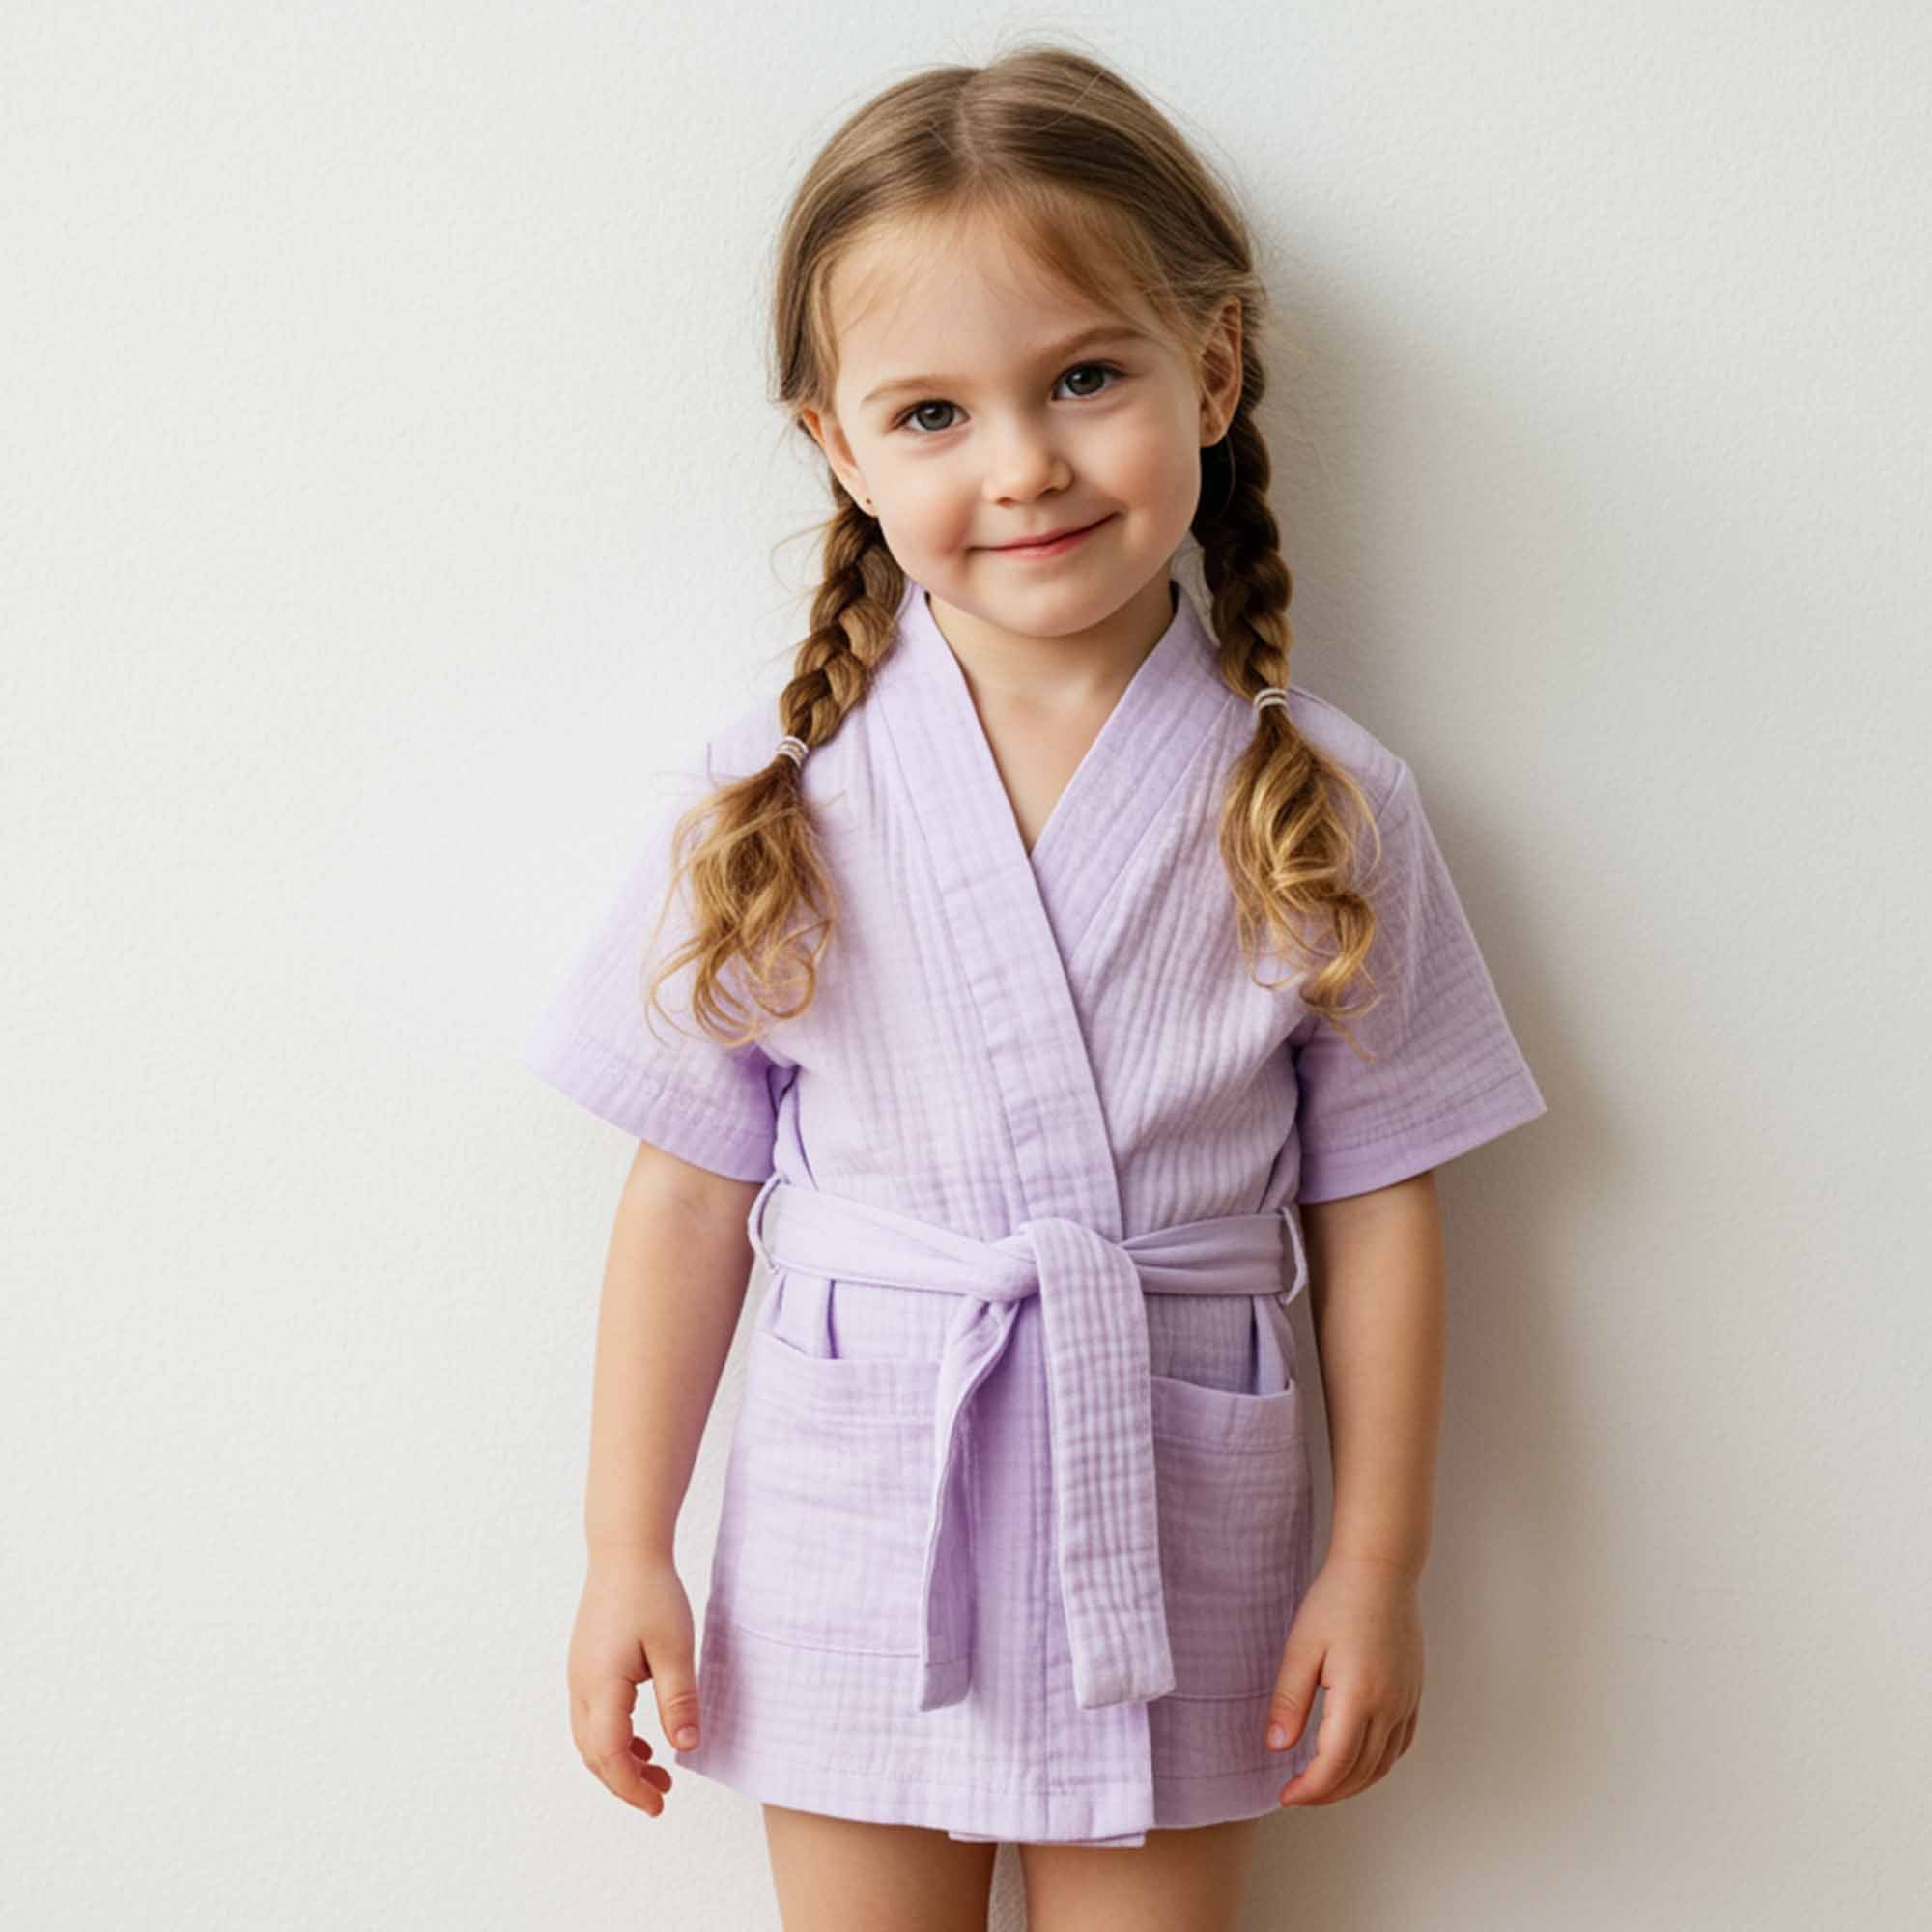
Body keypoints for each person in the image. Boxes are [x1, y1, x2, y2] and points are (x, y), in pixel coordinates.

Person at [520, 42, 1548, 1932]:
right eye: (932, 411)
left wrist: (1378, 1563)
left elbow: (1382, 1203)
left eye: (1084, 377)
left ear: (1212, 371)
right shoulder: (771, 800)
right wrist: (621, 1547)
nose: (1022, 465)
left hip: (1176, 1495)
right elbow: (682, 1196)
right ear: (839, 445)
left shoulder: (1323, 802)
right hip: (856, 1496)